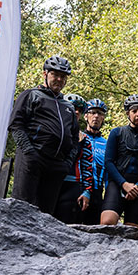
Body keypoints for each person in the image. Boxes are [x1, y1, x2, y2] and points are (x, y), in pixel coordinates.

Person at [8, 55, 80, 214]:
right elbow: (16, 125)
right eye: (55, 74)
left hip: (57, 165)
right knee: (21, 209)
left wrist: (67, 162)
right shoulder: (31, 95)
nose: (59, 79)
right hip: (32, 158)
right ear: (45, 74)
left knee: (46, 214)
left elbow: (75, 138)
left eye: (63, 76)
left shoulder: (68, 106)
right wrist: (29, 153)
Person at [100, 94, 138, 228]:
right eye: (134, 111)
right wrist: (124, 184)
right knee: (107, 223)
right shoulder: (116, 133)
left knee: (131, 231)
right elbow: (108, 162)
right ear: (128, 113)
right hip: (117, 183)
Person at [55, 94, 94, 224]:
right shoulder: (53, 129)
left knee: (67, 224)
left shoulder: (84, 138)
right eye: (73, 108)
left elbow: (87, 166)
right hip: (52, 181)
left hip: (72, 185)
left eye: (80, 110)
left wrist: (87, 191)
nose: (76, 112)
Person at [81, 98, 109, 223]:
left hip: (97, 191)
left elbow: (109, 171)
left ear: (103, 118)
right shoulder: (79, 137)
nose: (96, 116)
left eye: (100, 113)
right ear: (86, 116)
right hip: (78, 187)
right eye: (92, 112)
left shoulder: (107, 143)